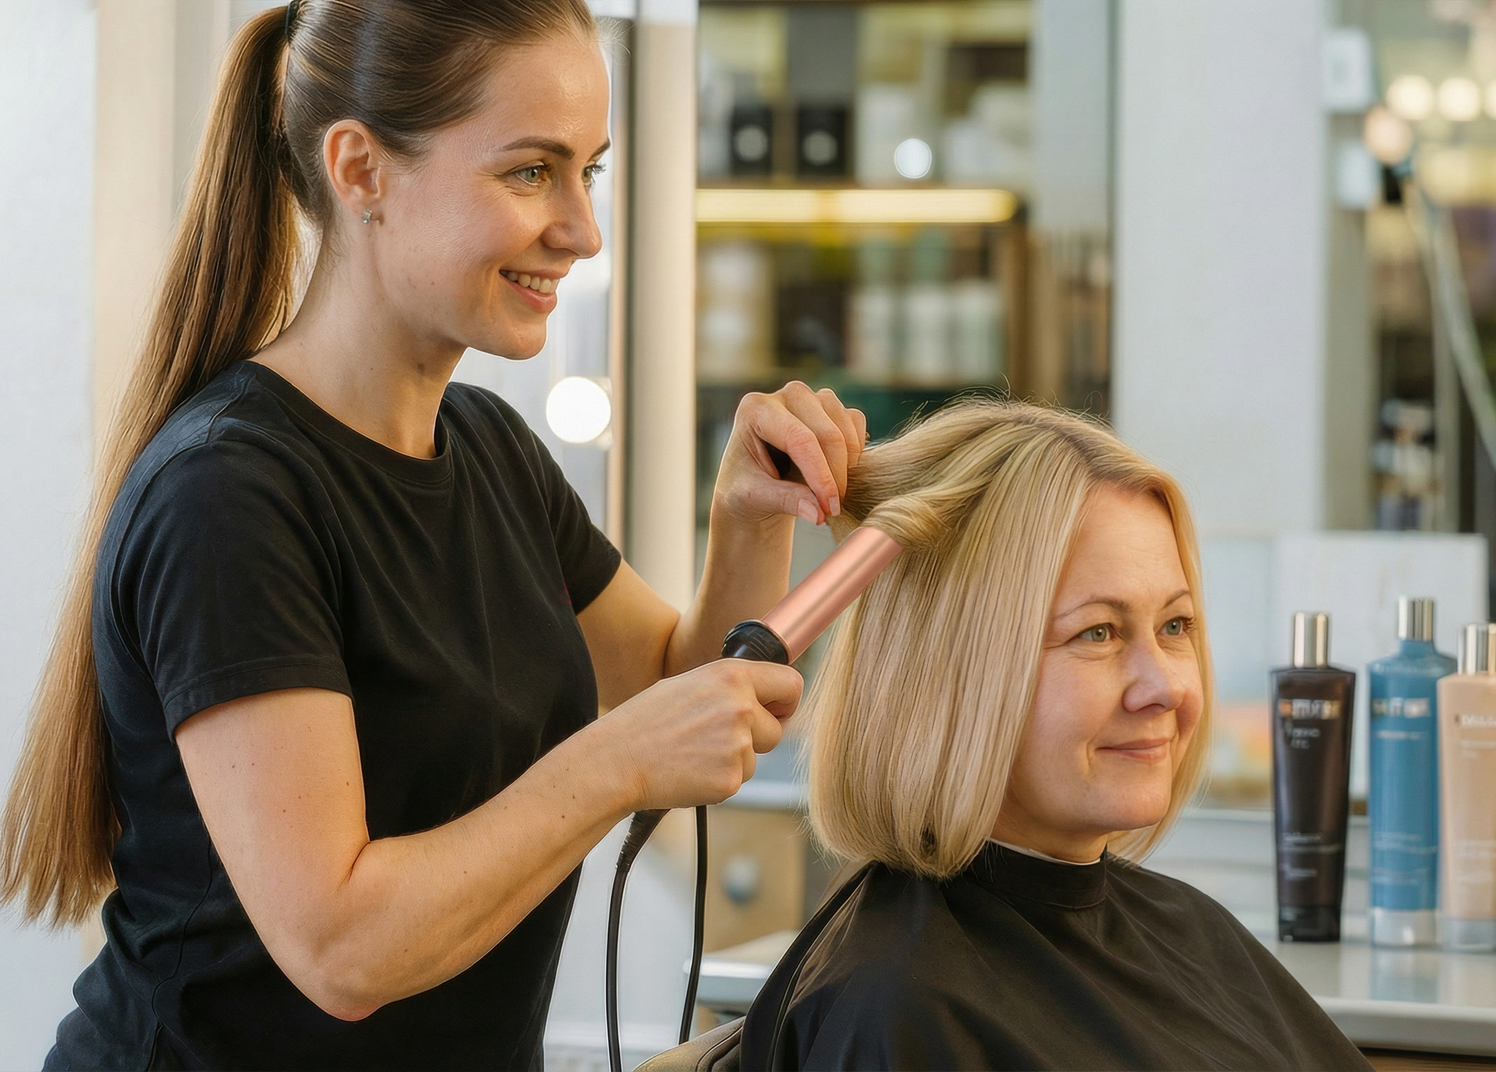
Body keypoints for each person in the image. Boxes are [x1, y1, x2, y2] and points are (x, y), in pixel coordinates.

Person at [0, 3, 865, 1068]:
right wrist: (613, 766)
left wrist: (744, 520)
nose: (583, 229)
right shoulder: (227, 492)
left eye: (588, 171)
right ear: (361, 169)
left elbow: (679, 692)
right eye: (530, 172)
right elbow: (343, 947)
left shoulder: (490, 448)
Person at [738, 402, 1369, 1071]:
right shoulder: (903, 1009)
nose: (1167, 688)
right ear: (951, 672)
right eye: (1098, 633)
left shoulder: (1191, 930)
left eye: (1175, 626)